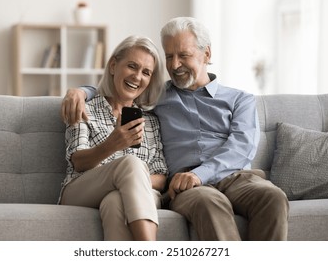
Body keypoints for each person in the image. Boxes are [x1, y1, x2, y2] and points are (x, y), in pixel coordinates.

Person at [61, 17, 289, 241]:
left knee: (273, 197)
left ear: (206, 54)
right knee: (209, 203)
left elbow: (242, 147)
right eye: (169, 56)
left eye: (184, 55)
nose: (174, 65)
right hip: (184, 185)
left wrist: (199, 175)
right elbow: (122, 90)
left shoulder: (240, 99)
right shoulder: (158, 97)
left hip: (236, 177)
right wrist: (81, 91)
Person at [58, 35, 168, 241]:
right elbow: (78, 162)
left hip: (141, 193)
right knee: (130, 164)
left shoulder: (151, 122)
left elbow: (161, 178)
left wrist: (129, 182)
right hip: (80, 189)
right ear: (113, 66)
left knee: (115, 201)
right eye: (132, 66)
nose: (137, 77)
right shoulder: (85, 108)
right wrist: (112, 144)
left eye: (146, 72)